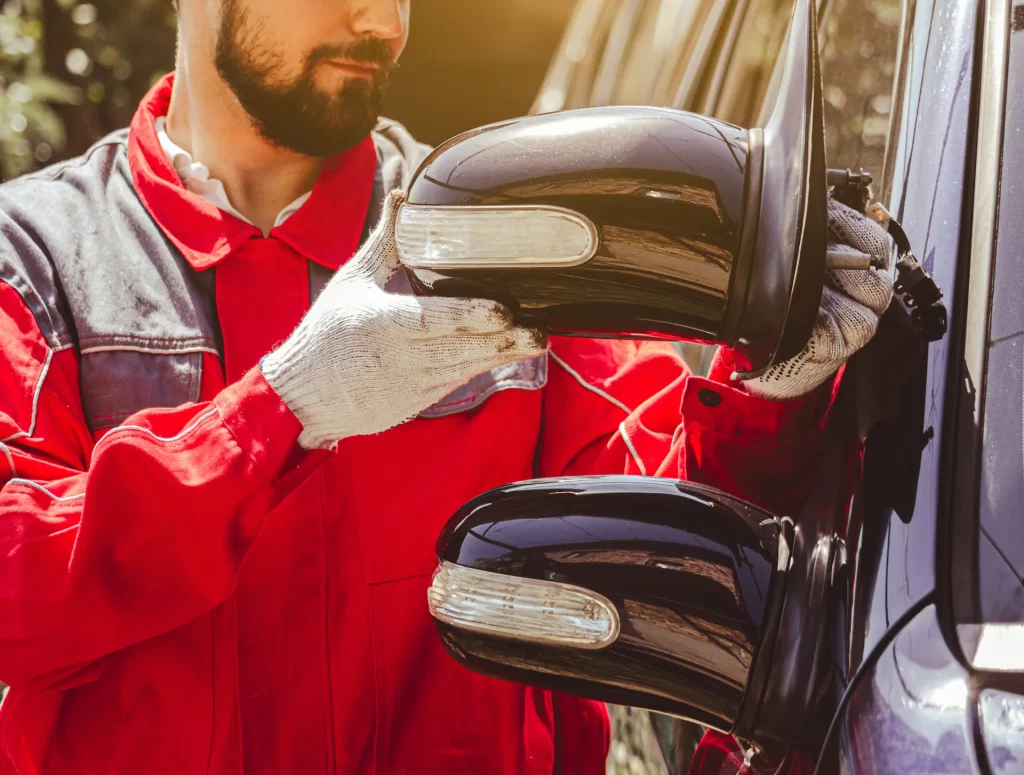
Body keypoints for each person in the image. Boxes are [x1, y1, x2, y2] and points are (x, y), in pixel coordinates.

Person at [0, 0, 894, 773]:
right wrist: (283, 410)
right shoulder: (39, 260)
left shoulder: (509, 235)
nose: (384, 24)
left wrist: (771, 387)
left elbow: (679, 526)